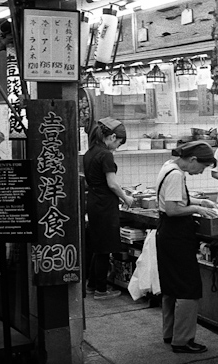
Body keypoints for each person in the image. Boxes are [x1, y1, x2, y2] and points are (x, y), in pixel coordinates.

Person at [156, 141, 218, 354]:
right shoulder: (176, 175)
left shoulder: (168, 166)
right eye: (201, 167)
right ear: (192, 160)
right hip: (176, 235)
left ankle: (170, 333)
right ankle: (182, 341)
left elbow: (174, 199)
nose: (201, 171)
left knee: (171, 286)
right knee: (188, 289)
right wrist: (197, 209)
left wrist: (199, 201)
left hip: (167, 233)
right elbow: (174, 209)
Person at [84, 117, 134, 300]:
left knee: (98, 245)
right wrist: (126, 197)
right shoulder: (105, 154)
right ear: (112, 137)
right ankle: (101, 290)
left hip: (94, 202)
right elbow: (112, 184)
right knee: (105, 247)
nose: (118, 146)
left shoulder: (91, 152)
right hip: (105, 205)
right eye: (119, 142)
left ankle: (91, 285)